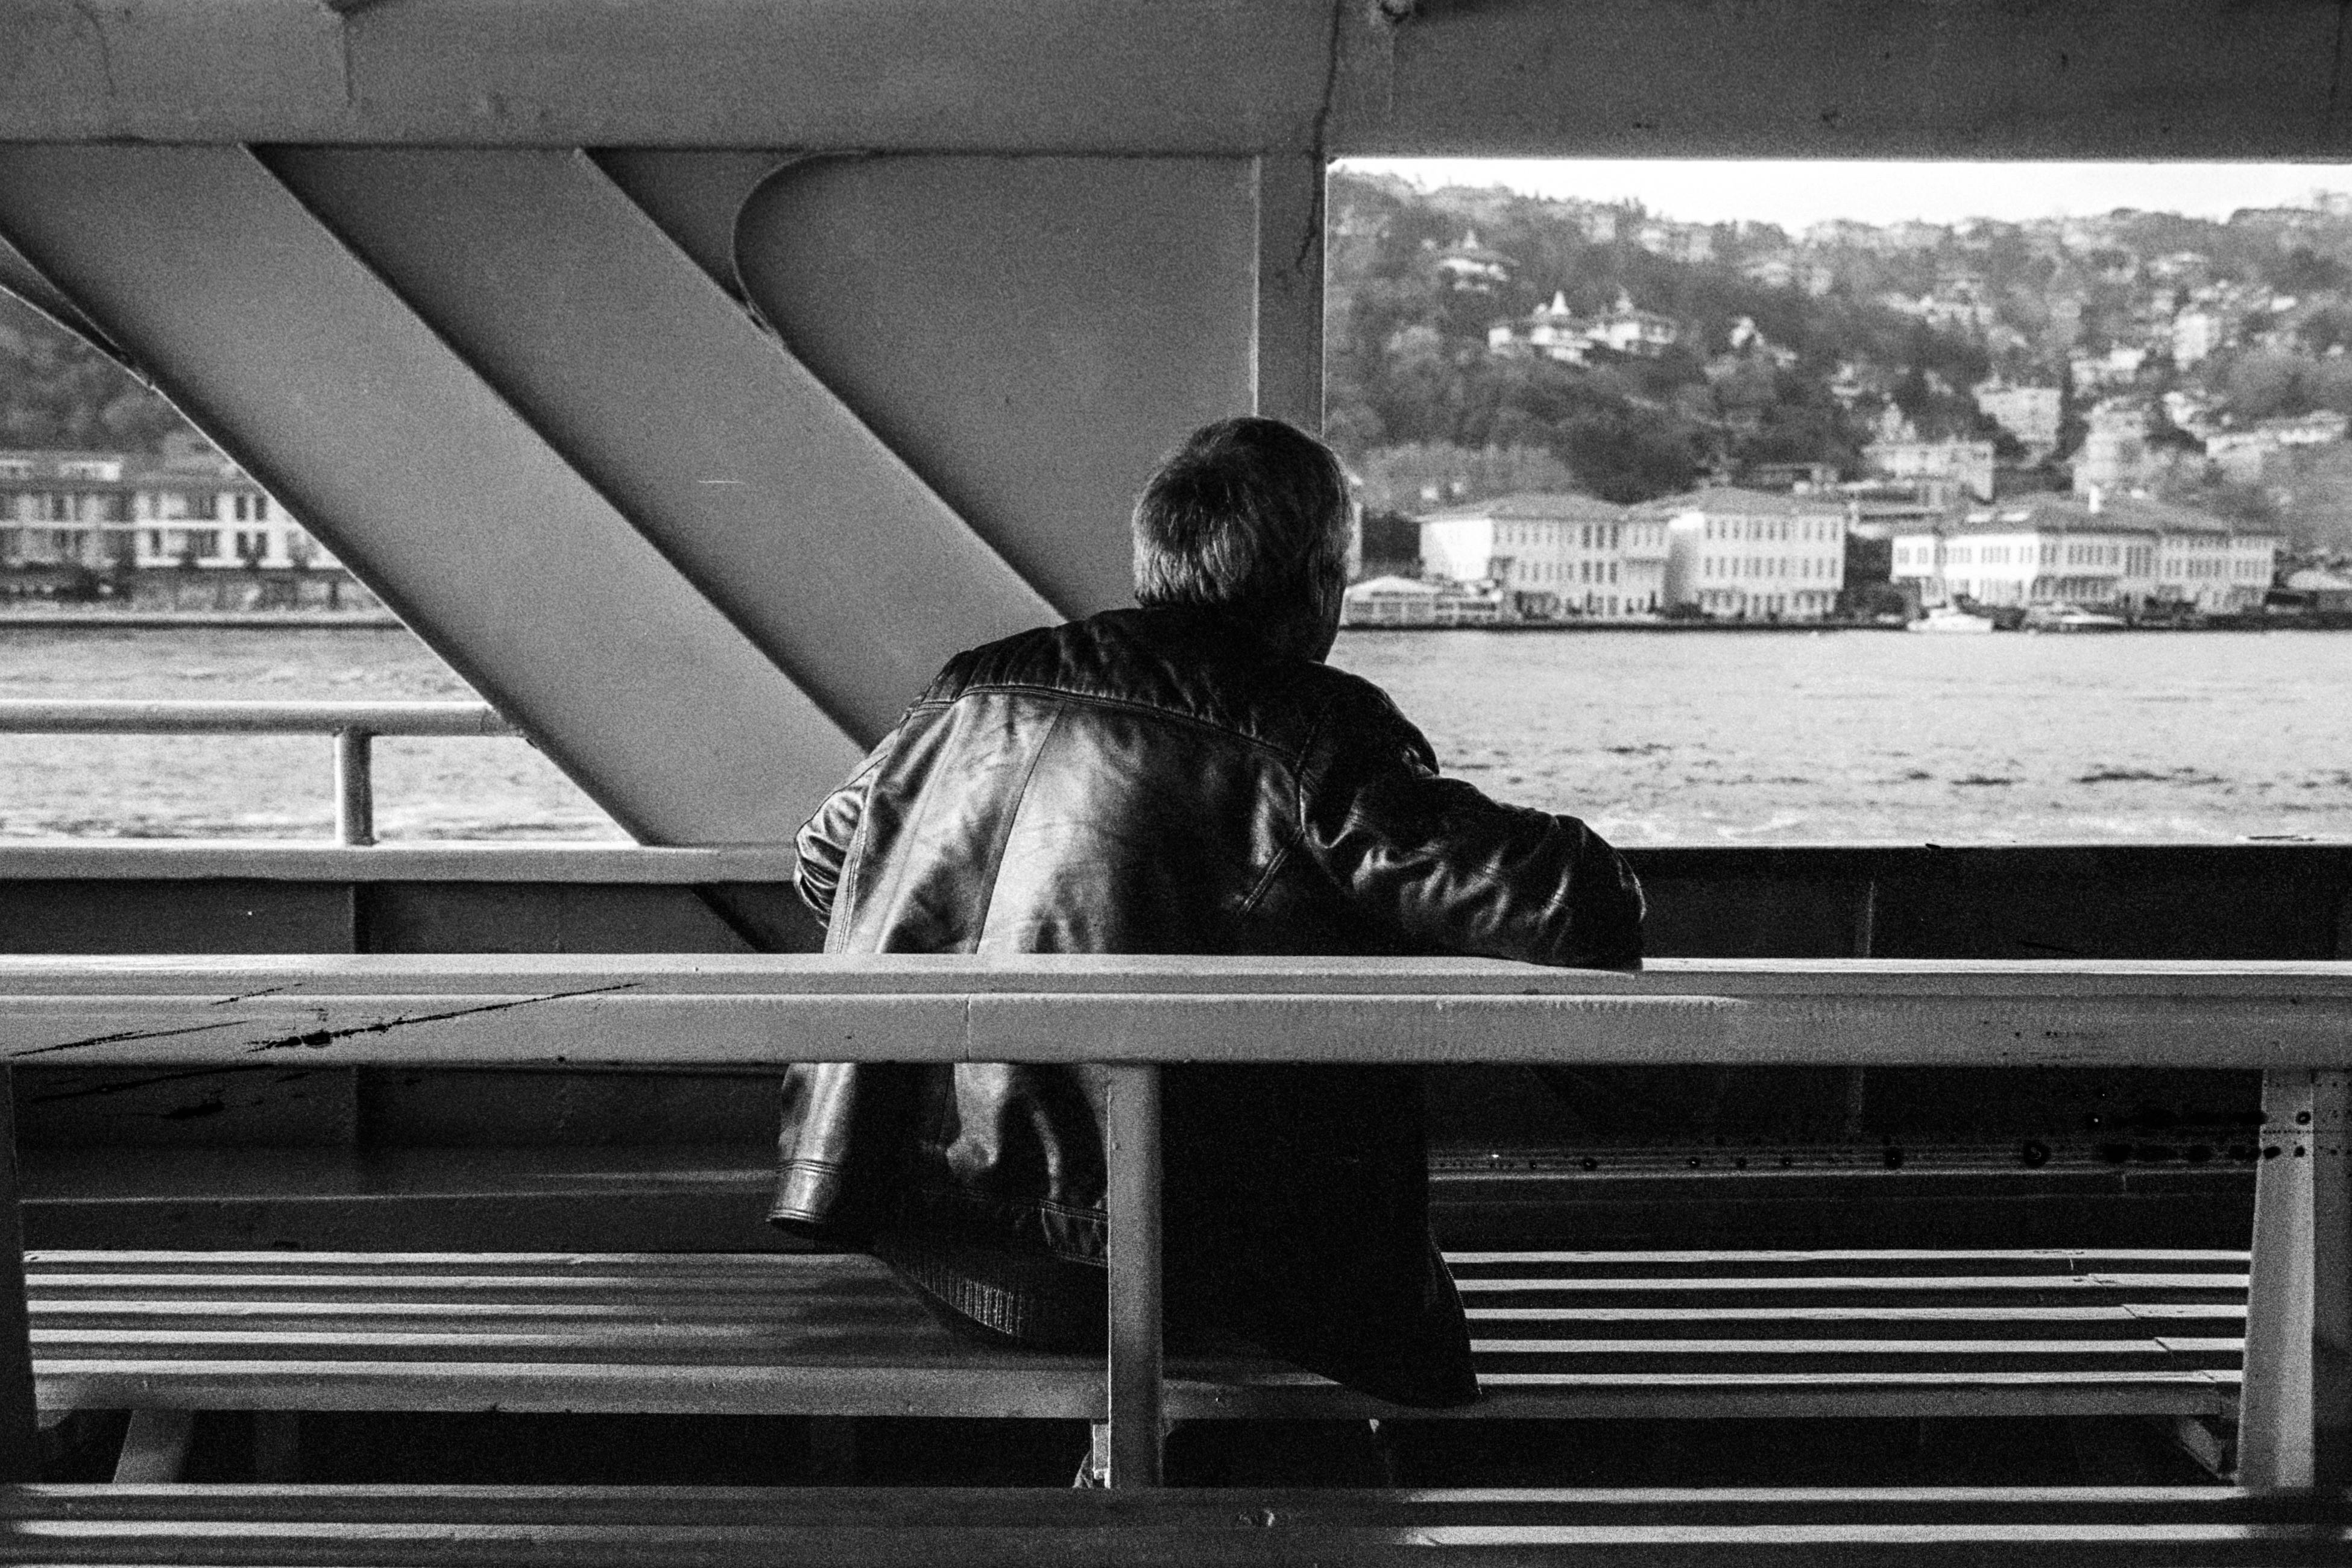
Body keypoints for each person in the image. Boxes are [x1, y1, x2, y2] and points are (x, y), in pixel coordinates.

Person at [772, 415, 1644, 1417]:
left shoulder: (973, 686)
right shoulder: (1312, 725)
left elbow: (826, 859)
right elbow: (1572, 905)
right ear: (1317, 579)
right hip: (1183, 1269)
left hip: (944, 1243)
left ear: (1156, 560)